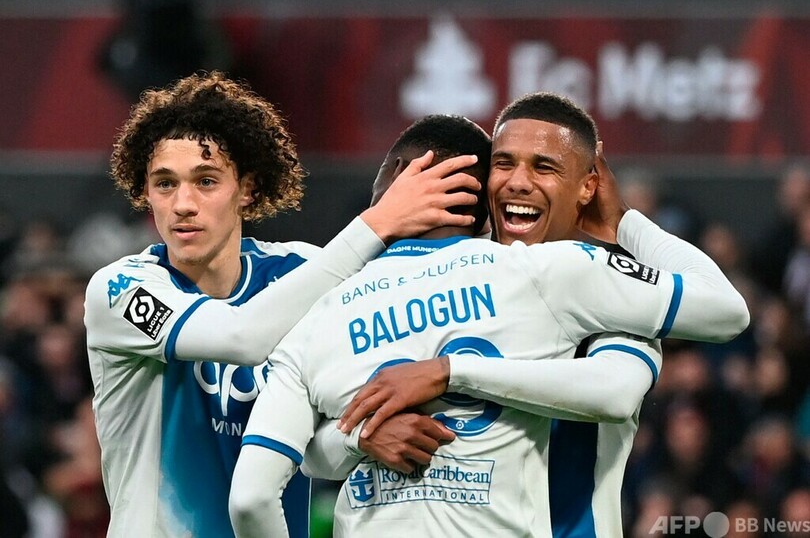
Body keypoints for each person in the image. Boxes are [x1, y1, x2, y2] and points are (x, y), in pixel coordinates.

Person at [228, 113, 749, 537]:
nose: (519, 182)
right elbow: (317, 454)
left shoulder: (317, 315)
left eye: (543, 166)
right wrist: (362, 435)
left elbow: (614, 392)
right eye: (504, 164)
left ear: (588, 185)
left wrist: (450, 372)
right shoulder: (546, 275)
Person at [83, 71, 483, 538]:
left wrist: (360, 435)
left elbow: (314, 450)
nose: (183, 204)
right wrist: (379, 222)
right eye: (165, 184)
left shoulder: (302, 274)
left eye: (206, 181)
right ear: (145, 192)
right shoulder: (120, 291)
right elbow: (241, 336)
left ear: (247, 189)